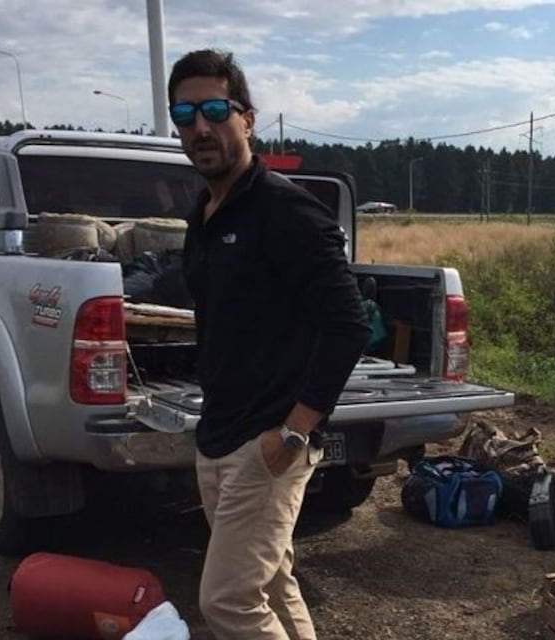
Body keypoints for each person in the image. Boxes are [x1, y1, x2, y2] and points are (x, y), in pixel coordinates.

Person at [169, 49, 370, 640]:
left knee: (228, 602)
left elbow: (349, 323)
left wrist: (294, 430)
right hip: (219, 437)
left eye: (213, 109)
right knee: (272, 583)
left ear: (247, 118)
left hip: (269, 443)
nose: (200, 126)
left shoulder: (285, 211)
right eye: (185, 113)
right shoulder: (204, 214)